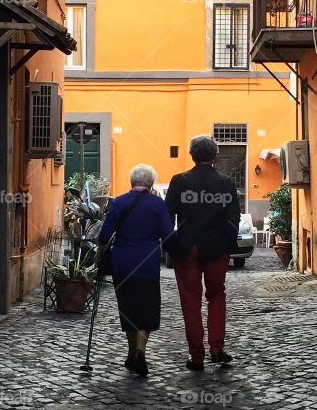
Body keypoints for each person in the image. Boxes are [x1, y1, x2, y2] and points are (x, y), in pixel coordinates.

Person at [166, 135, 241, 371]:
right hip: (217, 249)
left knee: (191, 301)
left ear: (191, 155)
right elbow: (233, 218)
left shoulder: (179, 181)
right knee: (217, 296)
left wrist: (171, 245)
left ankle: (197, 356)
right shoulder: (226, 183)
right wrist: (228, 244)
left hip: (187, 248)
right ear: (215, 155)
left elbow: (168, 217)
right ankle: (217, 349)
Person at [98, 164, 174, 378]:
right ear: (150, 184)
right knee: (147, 308)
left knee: (128, 308)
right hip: (147, 263)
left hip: (121, 263)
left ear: (132, 182)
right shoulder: (158, 204)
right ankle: (140, 351)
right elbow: (168, 235)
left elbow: (104, 235)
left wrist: (99, 251)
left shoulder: (118, 202)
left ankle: (132, 354)